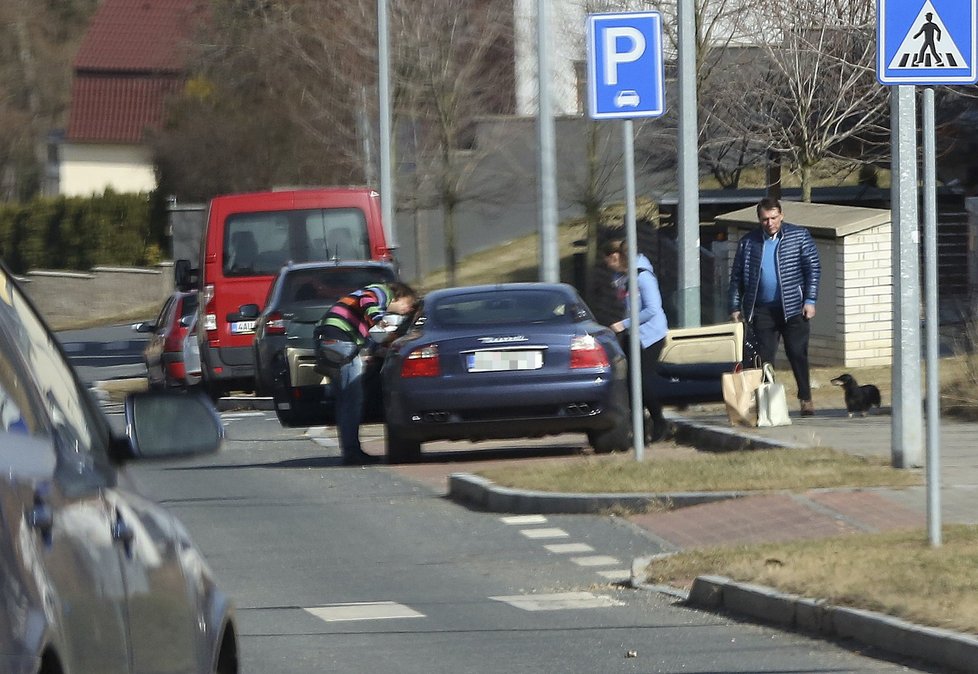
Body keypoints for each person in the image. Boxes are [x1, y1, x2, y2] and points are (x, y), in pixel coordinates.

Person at [729, 197, 821, 416]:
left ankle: (805, 398)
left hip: (793, 308)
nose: (769, 223)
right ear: (759, 219)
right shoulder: (748, 242)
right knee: (764, 357)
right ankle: (767, 401)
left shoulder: (799, 236)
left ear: (781, 216)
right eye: (764, 219)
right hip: (762, 310)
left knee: (797, 353)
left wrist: (810, 300)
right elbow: (737, 278)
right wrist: (734, 306)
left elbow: (813, 269)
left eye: (773, 218)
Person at [316, 281, 418, 464]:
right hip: (342, 342)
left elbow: (367, 331)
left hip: (333, 340)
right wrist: (379, 319)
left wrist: (375, 348)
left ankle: (350, 450)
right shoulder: (381, 291)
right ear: (400, 295)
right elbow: (366, 300)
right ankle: (352, 453)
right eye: (408, 304)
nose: (407, 310)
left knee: (345, 401)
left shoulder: (375, 296)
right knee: (352, 400)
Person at [602, 239, 670, 443]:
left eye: (608, 261)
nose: (607, 266)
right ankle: (639, 430)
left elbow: (652, 309)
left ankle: (658, 421)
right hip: (634, 333)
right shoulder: (620, 277)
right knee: (631, 383)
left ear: (616, 258)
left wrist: (624, 324)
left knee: (640, 380)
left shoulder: (643, 277)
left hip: (650, 335)